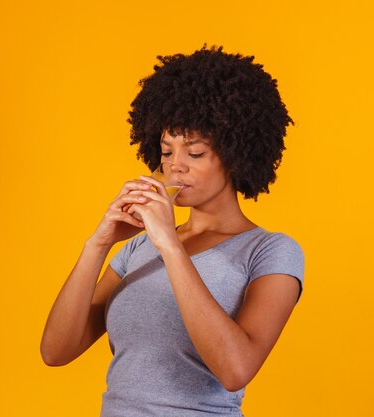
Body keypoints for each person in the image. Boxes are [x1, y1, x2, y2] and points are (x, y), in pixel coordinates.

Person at [41, 44, 305, 417]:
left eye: (194, 153)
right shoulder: (138, 248)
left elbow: (236, 370)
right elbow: (56, 351)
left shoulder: (271, 251)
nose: (175, 167)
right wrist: (97, 244)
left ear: (235, 154)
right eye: (166, 152)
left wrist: (170, 246)